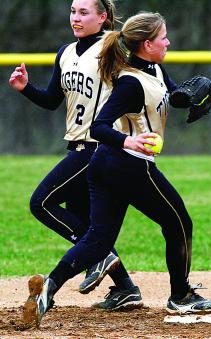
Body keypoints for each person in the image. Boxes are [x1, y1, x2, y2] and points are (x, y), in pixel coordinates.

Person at [22, 12, 211, 327]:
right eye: (163, 37)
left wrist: (192, 97)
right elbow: (99, 126)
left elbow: (168, 97)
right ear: (146, 44)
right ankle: (180, 296)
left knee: (98, 240)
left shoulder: (154, 69)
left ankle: (48, 287)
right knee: (179, 223)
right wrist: (129, 142)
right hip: (128, 164)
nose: (168, 41)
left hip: (106, 165)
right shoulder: (129, 82)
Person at [9, 0, 143, 311]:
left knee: (41, 203)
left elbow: (146, 73)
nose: (76, 18)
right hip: (77, 145)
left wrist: (177, 93)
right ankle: (125, 287)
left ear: (103, 16)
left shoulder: (113, 46)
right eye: (73, 11)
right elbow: (52, 100)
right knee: (87, 225)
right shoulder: (65, 52)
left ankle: (100, 258)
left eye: (84, 12)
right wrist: (26, 88)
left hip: (98, 147)